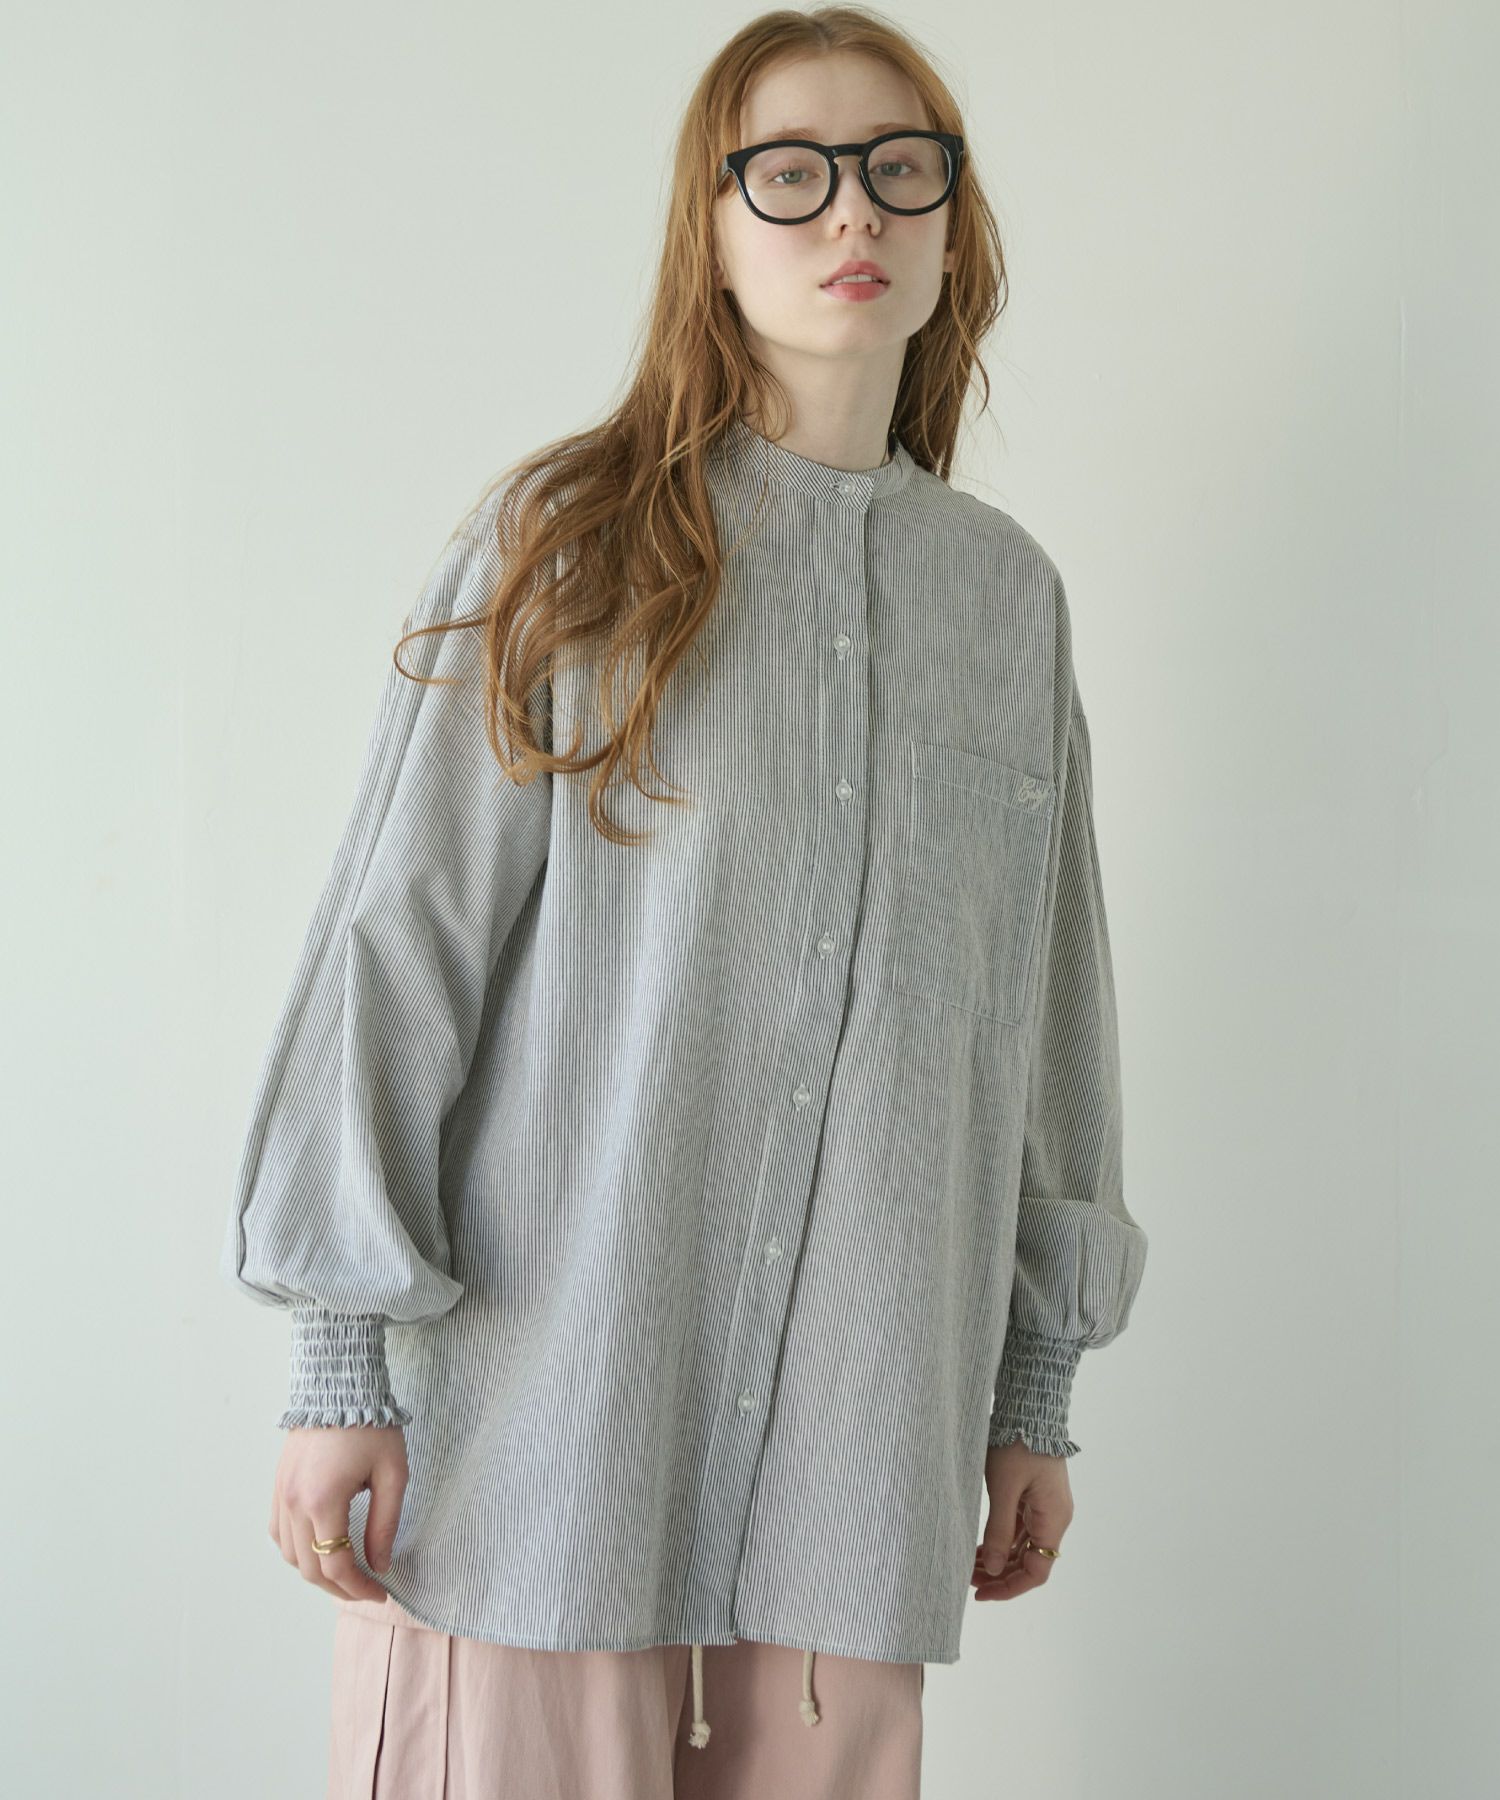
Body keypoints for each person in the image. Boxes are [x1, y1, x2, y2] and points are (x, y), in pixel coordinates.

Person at [221, 6, 1150, 1796]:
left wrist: (1034, 1388)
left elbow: (1048, 1018)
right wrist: (338, 1363)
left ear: (954, 223)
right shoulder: (567, 544)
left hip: (854, 1496)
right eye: (789, 174)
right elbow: (397, 950)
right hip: (542, 1469)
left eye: (900, 169)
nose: (852, 210)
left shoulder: (1006, 603)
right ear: (709, 232)